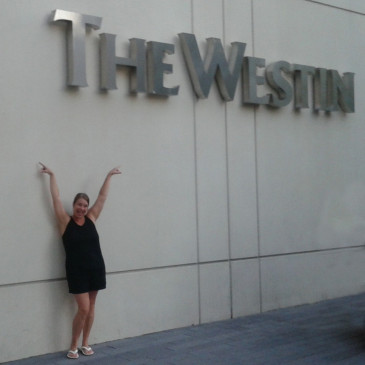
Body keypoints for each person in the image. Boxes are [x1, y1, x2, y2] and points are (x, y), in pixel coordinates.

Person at [39, 162, 121, 359]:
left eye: (85, 205)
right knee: (83, 308)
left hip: (96, 268)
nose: (82, 208)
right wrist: (52, 175)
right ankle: (73, 345)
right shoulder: (65, 222)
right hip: (77, 272)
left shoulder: (92, 217)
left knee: (91, 307)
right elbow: (56, 198)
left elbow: (102, 197)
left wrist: (109, 176)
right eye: (79, 205)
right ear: (74, 205)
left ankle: (85, 343)